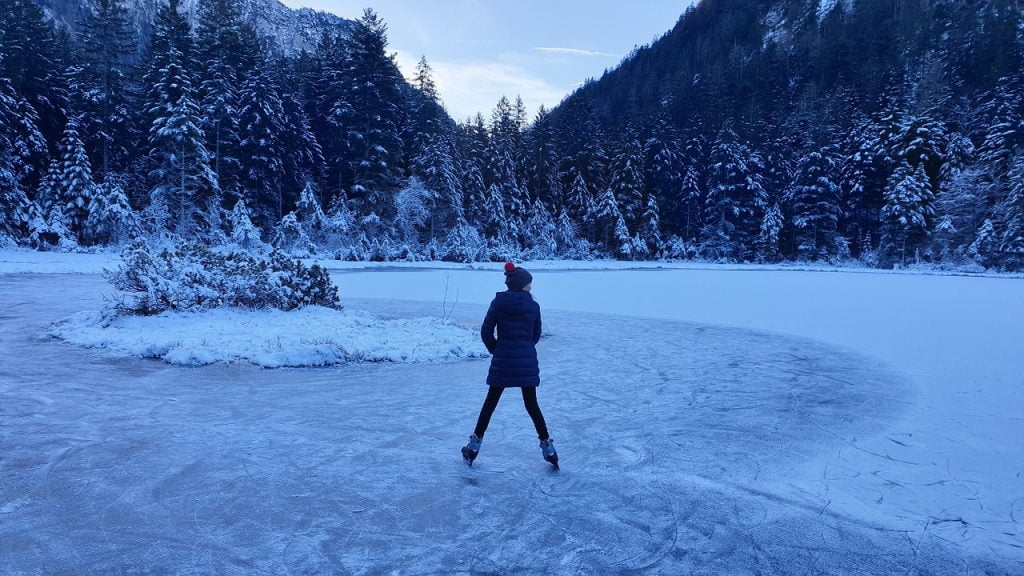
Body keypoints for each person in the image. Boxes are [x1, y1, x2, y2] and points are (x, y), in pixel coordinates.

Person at [462, 262, 558, 469]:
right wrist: (523, 348)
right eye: (529, 284)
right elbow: (535, 335)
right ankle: (548, 448)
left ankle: (473, 446)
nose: (531, 287)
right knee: (532, 405)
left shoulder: (498, 303)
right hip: (526, 361)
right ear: (522, 285)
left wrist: (497, 349)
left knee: (490, 403)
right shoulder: (533, 306)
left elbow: (486, 331)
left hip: (503, 360)